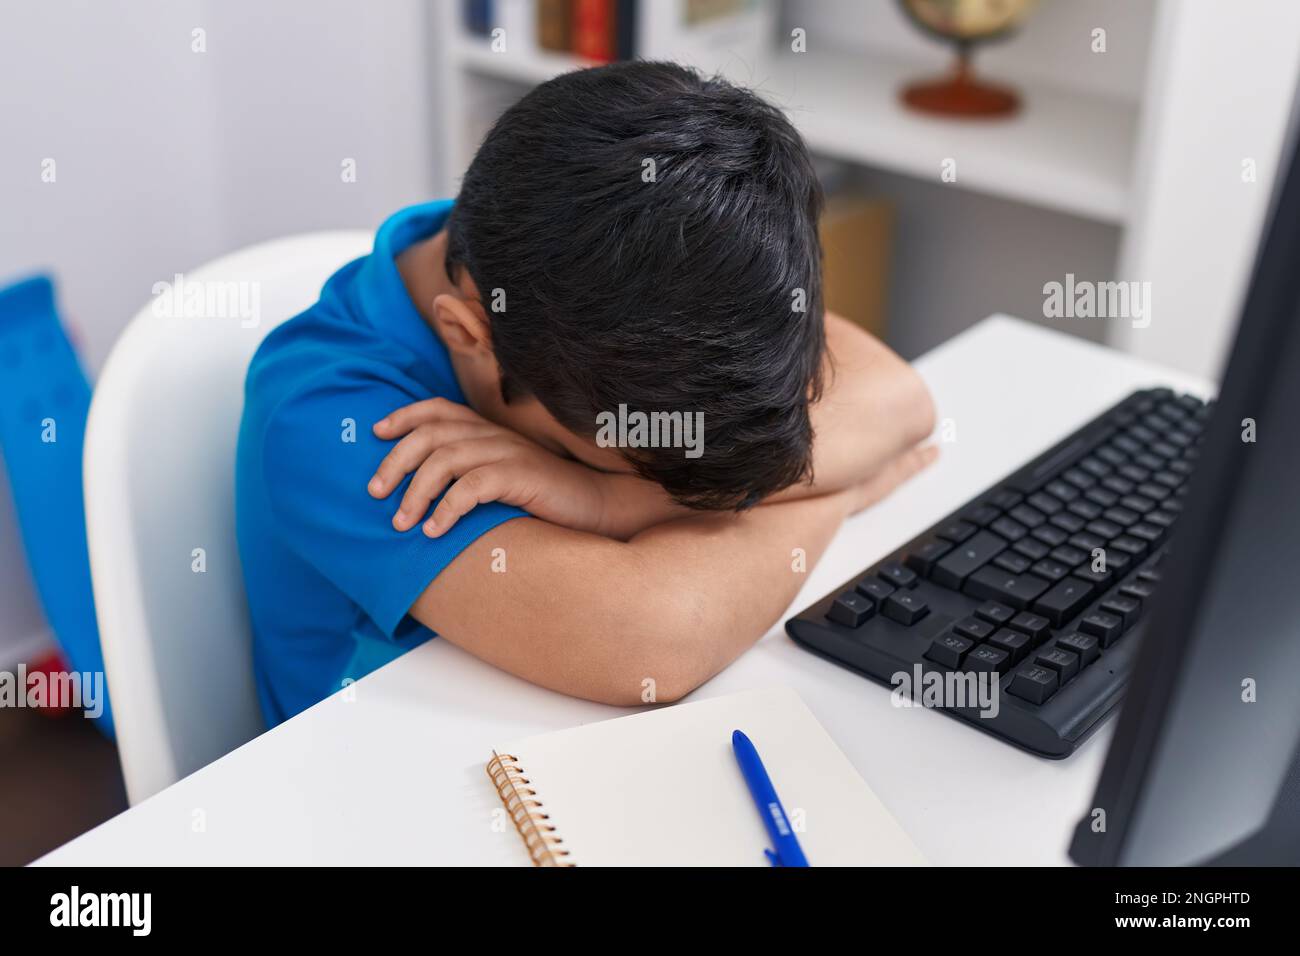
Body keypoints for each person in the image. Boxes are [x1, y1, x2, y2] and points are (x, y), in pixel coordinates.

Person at [236, 61, 935, 725]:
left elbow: (900, 398)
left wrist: (614, 500)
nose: (669, 478)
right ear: (469, 334)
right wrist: (833, 491)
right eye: (620, 462)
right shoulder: (331, 420)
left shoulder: (611, 240)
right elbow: (655, 643)